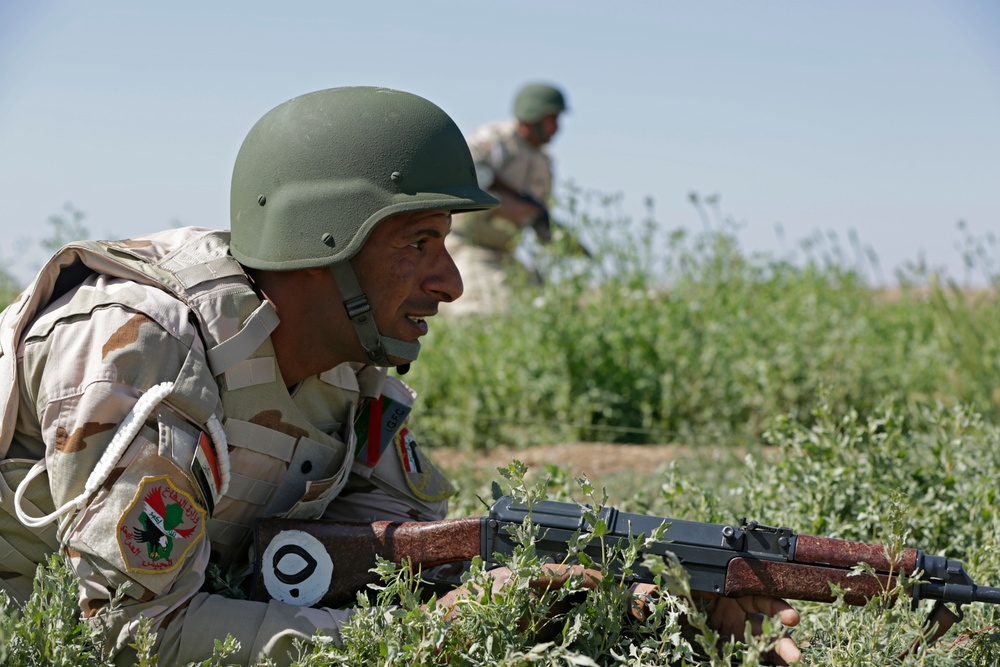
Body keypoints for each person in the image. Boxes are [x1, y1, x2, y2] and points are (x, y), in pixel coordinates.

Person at [0, 86, 801, 666]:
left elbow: (411, 552)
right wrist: (421, 639)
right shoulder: (140, 351)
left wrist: (617, 593)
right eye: (418, 243)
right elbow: (135, 635)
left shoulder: (348, 369)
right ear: (323, 242)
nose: (451, 281)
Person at [445, 82, 567, 316]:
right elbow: (461, 177)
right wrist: (501, 205)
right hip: (466, 246)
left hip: (504, 253)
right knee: (484, 310)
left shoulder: (544, 163)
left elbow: (537, 211)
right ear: (534, 115)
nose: (557, 128)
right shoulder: (494, 141)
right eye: (553, 119)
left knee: (542, 309)